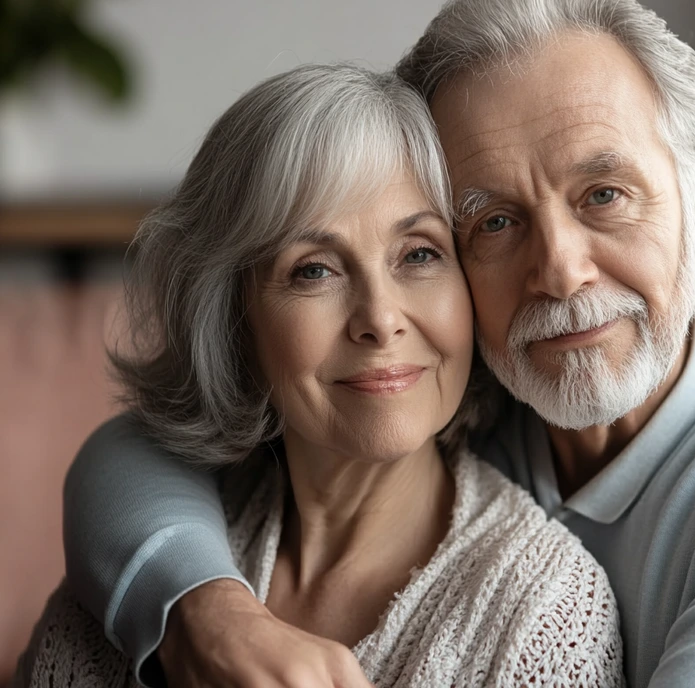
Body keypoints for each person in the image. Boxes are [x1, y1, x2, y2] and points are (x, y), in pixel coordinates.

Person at [58, 0, 695, 686]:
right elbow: (139, 450)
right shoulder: (460, 378)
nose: (558, 268)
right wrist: (207, 615)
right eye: (491, 221)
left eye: (604, 195)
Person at [12, 64, 625, 688]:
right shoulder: (141, 575)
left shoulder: (548, 614)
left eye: (419, 254)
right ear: (234, 320)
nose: (380, 320)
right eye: (315, 270)